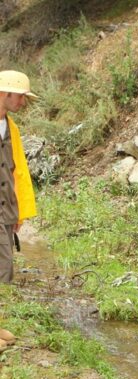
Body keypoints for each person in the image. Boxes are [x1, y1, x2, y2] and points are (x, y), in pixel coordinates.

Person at [0, 70, 37, 283]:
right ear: (5, 93)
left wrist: (17, 214)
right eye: (21, 96)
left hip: (7, 213)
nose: (23, 102)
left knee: (7, 269)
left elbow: (16, 172)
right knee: (4, 272)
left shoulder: (12, 129)